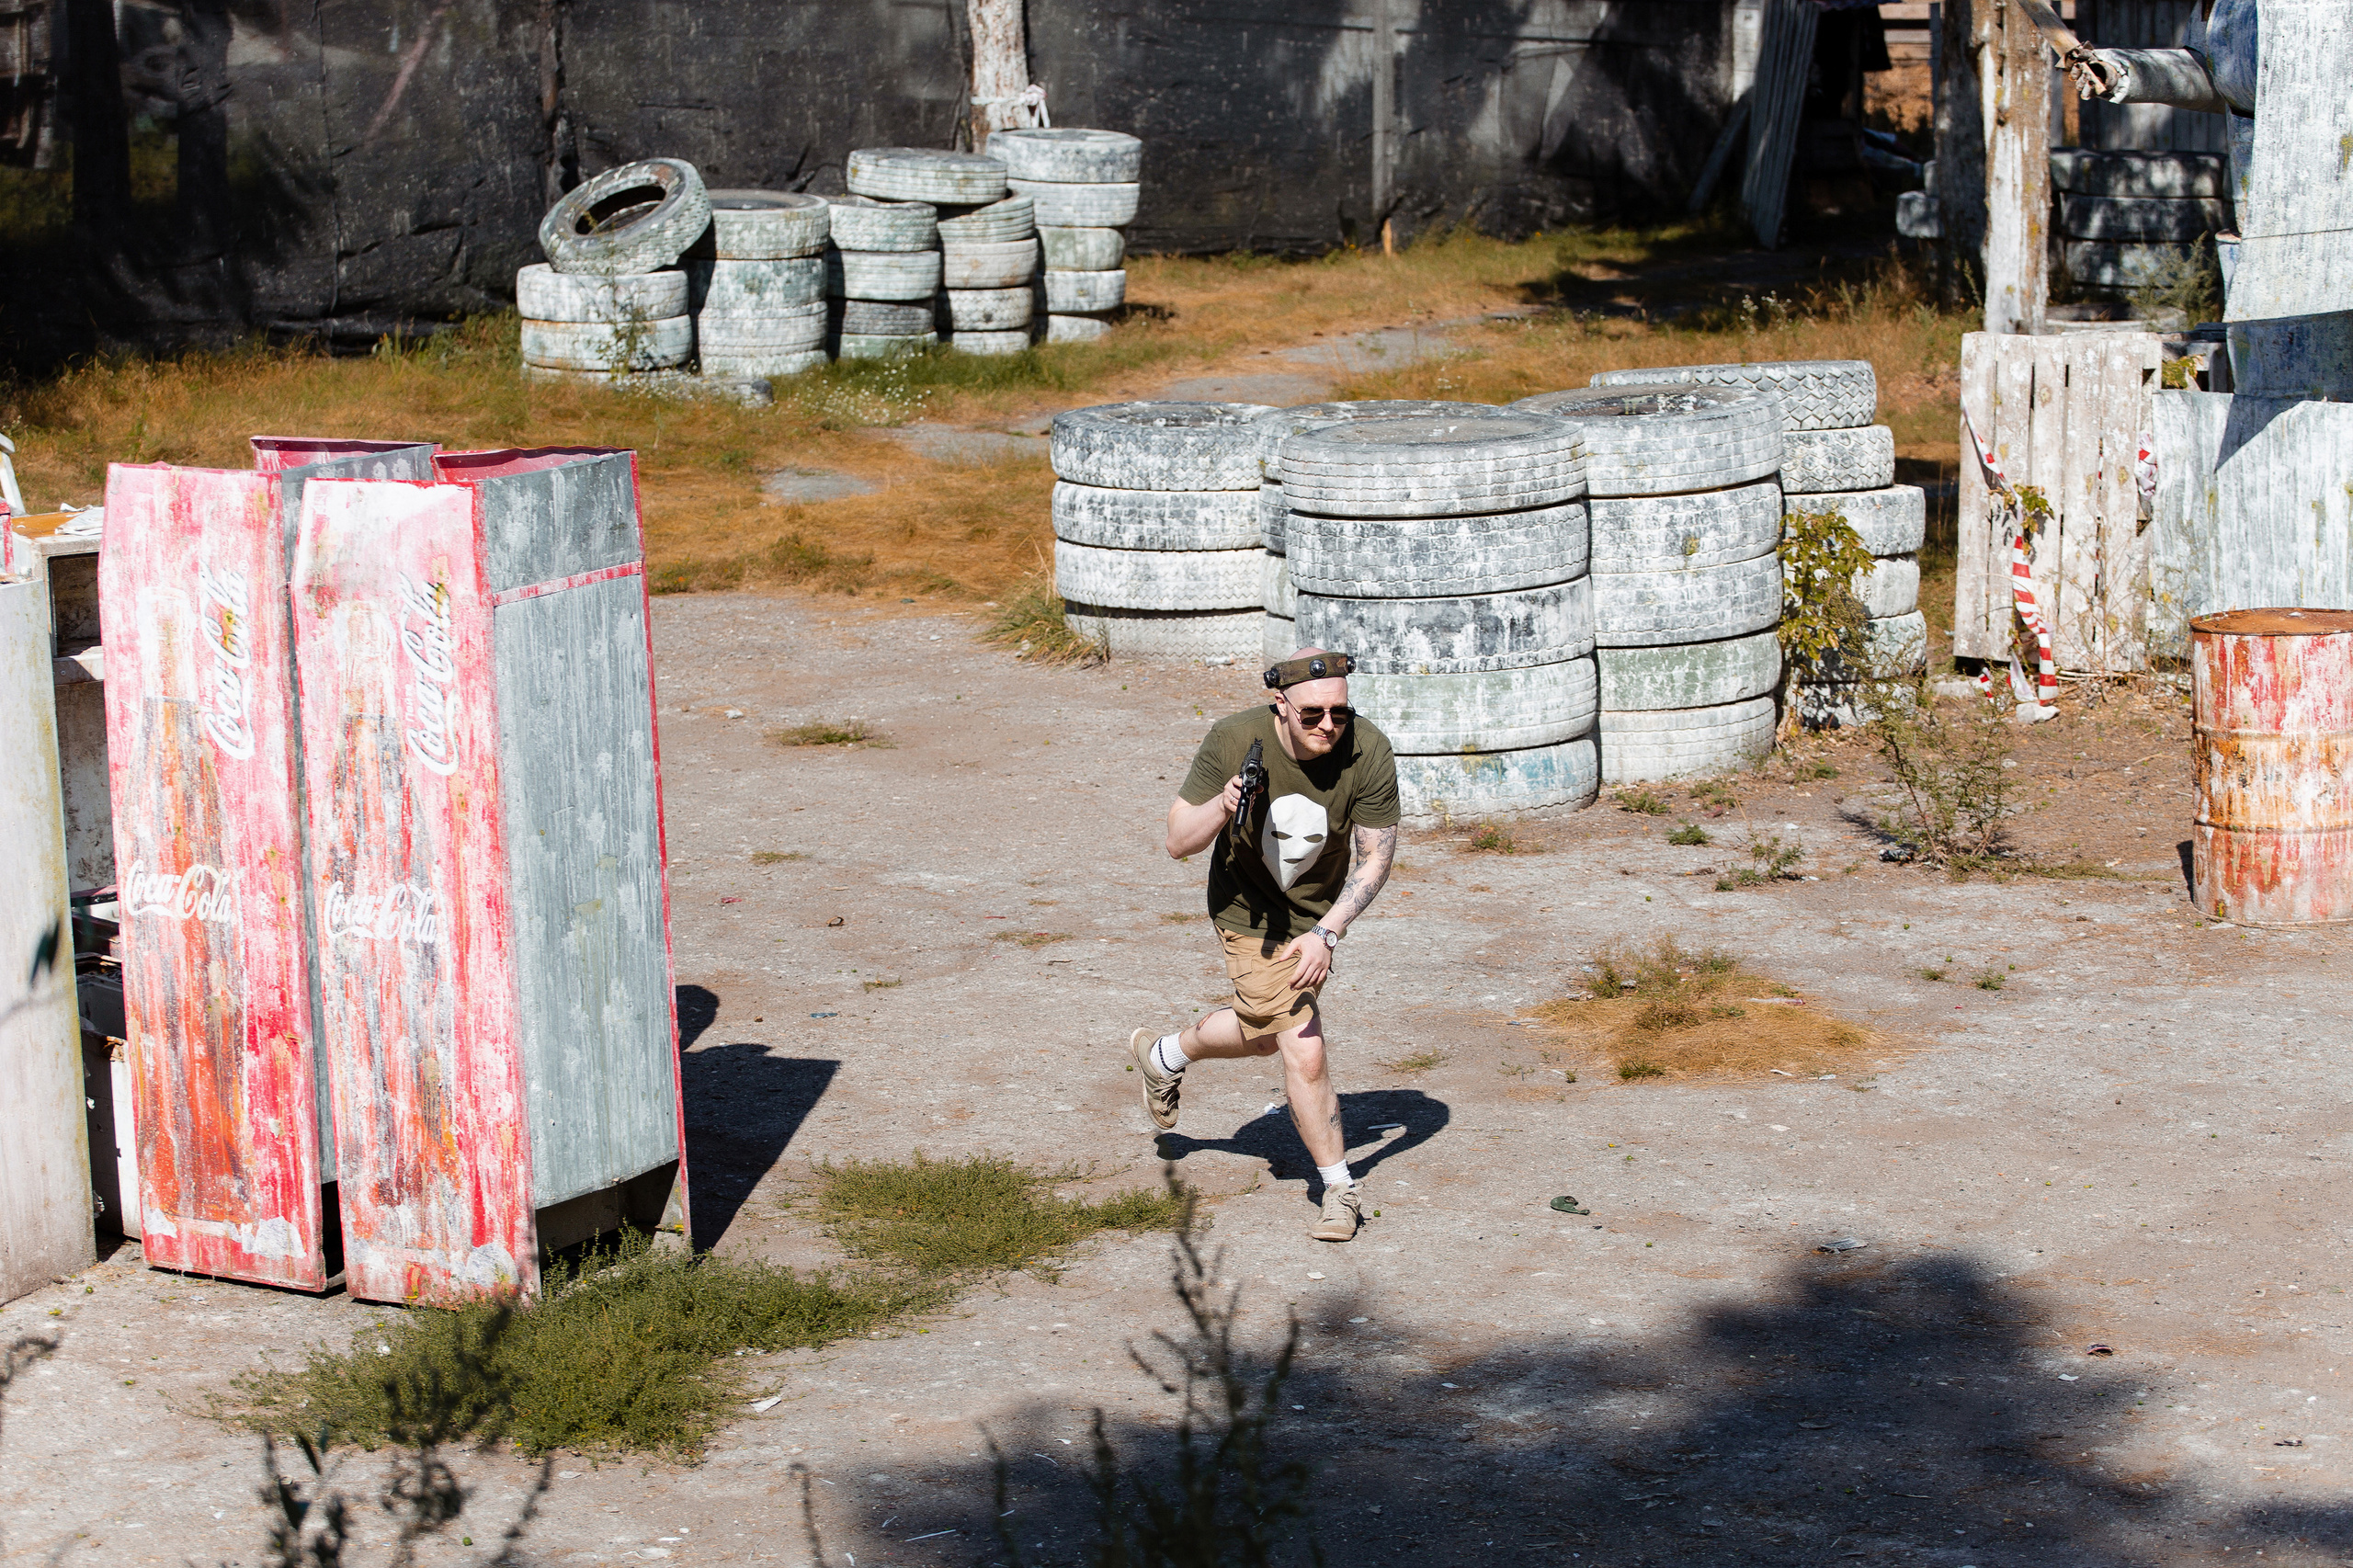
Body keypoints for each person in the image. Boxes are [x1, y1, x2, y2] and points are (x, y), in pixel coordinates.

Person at [1128, 649, 1400, 1243]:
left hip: (1314, 920)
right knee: (1303, 1047)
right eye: (1311, 715)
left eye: (1339, 713)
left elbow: (1376, 853)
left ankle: (1166, 1055)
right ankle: (1339, 1190)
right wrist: (1223, 807)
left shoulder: (1369, 750)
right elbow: (1178, 842)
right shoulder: (1232, 739)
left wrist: (1328, 930)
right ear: (1280, 706)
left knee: (1261, 1035)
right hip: (1247, 913)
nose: (1328, 726)